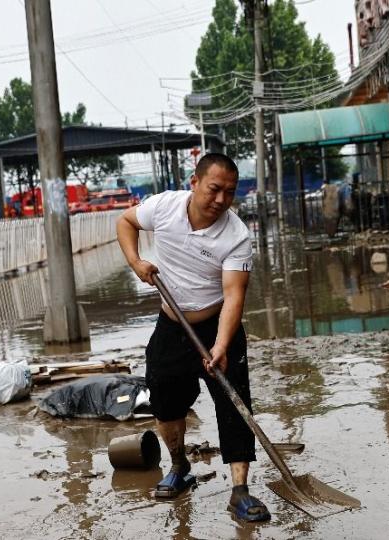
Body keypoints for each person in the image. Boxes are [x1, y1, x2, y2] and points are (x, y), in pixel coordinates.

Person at [115, 153, 270, 522]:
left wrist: (220, 345)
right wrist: (137, 262)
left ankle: (239, 492)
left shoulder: (236, 236)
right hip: (171, 325)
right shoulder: (164, 207)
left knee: (234, 406)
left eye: (229, 193)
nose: (220, 200)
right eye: (214, 189)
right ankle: (180, 467)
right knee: (165, 401)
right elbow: (125, 221)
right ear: (194, 181)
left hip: (218, 325)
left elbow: (234, 295)